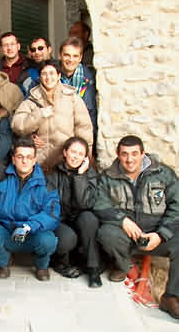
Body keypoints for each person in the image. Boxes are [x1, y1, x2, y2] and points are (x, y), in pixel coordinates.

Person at [94, 135, 179, 319]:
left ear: (143, 154)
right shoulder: (108, 177)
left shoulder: (163, 173)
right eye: (124, 154)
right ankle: (123, 265)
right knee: (106, 233)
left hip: (157, 234)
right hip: (128, 236)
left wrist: (161, 234)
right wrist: (122, 220)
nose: (129, 159)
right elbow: (100, 204)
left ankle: (171, 296)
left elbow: (177, 206)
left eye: (134, 154)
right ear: (118, 154)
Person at [0, 138, 60, 281]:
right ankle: (4, 262)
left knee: (48, 241)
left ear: (34, 160)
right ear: (13, 159)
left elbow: (52, 214)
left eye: (29, 157)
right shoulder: (0, 180)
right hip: (6, 229)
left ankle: (42, 266)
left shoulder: (46, 183)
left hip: (32, 233)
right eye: (20, 157)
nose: (24, 161)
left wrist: (29, 227)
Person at [12, 60, 93, 172]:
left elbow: (84, 128)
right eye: (44, 74)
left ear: (59, 75)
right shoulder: (32, 99)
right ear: (40, 77)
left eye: (52, 73)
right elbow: (17, 125)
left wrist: (85, 157)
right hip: (40, 163)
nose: (48, 77)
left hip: (66, 163)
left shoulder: (72, 98)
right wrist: (39, 115)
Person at [46, 137, 102, 287]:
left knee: (89, 218)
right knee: (67, 238)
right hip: (59, 219)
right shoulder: (52, 172)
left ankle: (93, 268)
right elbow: (50, 205)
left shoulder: (89, 174)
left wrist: (80, 176)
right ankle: (61, 263)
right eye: (73, 152)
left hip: (79, 218)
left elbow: (86, 204)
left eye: (80, 154)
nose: (76, 156)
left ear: (85, 158)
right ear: (65, 152)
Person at [58, 37, 97, 132]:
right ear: (60, 55)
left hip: (80, 135)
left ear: (80, 58)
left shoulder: (89, 80)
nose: (71, 60)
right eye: (67, 55)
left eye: (75, 56)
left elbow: (92, 113)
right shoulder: (49, 76)